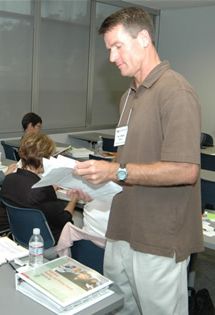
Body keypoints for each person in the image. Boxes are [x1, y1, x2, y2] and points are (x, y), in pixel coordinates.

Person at [74, 7, 203, 314]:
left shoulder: (177, 93)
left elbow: (186, 170)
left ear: (143, 38)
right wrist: (98, 186)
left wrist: (114, 170)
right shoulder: (129, 96)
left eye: (117, 46)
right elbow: (128, 163)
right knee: (121, 309)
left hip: (157, 238)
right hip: (121, 231)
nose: (111, 57)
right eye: (109, 49)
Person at [1, 133, 79, 243]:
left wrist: (50, 188)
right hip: (46, 242)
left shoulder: (8, 180)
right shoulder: (42, 190)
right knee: (79, 222)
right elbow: (64, 220)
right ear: (43, 160)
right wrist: (74, 199)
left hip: (20, 236)